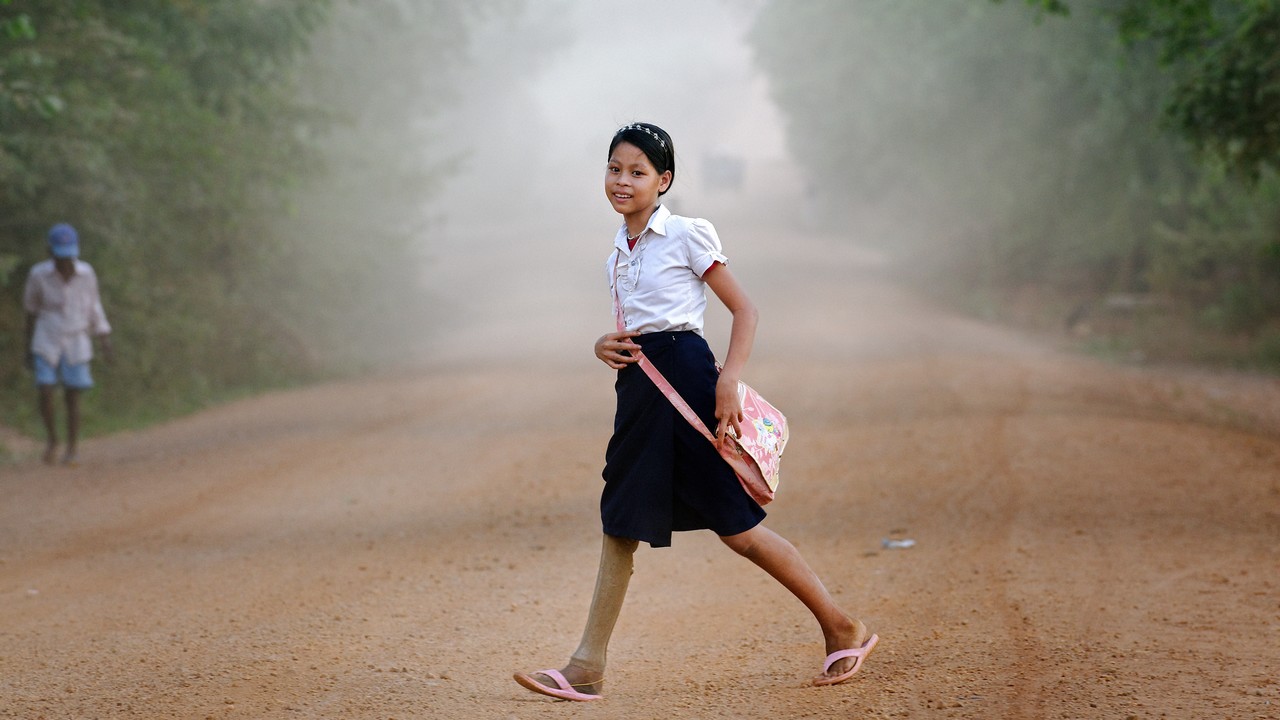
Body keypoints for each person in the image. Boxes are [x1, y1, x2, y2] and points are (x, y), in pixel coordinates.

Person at [513, 123, 877, 701]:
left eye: (638, 172)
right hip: (638, 391)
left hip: (686, 382)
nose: (623, 181)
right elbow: (639, 325)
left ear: (665, 180)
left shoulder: (685, 233)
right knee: (621, 516)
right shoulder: (617, 249)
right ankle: (586, 664)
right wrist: (603, 345)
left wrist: (729, 380)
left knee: (737, 526)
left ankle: (840, 625)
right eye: (614, 169)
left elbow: (745, 310)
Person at [23, 223, 113, 466]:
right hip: (46, 336)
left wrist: (104, 337)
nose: (66, 263)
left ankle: (72, 448)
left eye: (70, 256)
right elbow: (31, 311)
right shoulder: (38, 275)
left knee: (73, 396)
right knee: (45, 388)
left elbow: (94, 306)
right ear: (50, 253)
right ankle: (53, 439)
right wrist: (27, 347)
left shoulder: (87, 274)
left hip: (76, 337)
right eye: (60, 256)